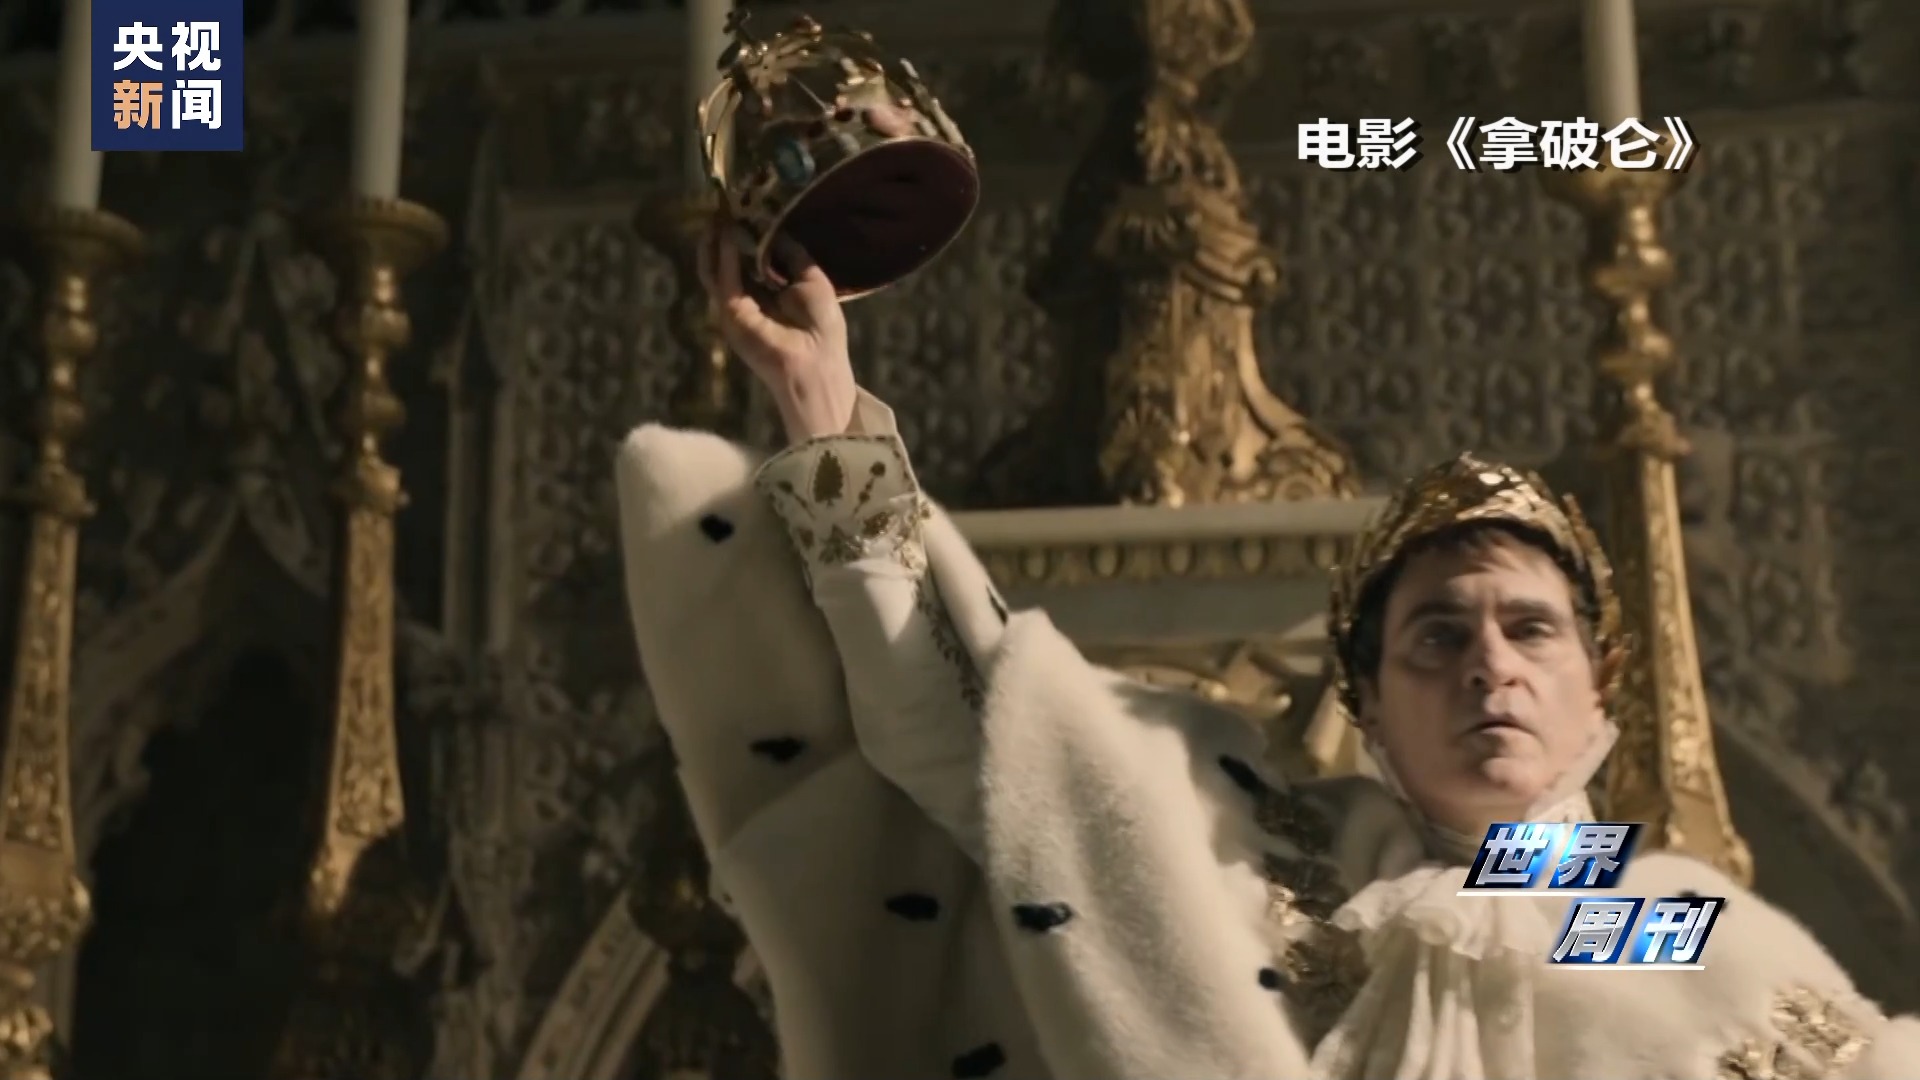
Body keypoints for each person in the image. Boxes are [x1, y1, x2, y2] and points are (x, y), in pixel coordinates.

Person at [613, 223, 1920, 1079]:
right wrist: (828, 417)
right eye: (1437, 636)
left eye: (1531, 629)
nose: (1489, 665)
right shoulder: (1257, 856)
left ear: (1599, 690)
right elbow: (961, 732)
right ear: (1370, 704)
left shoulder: (1656, 924)